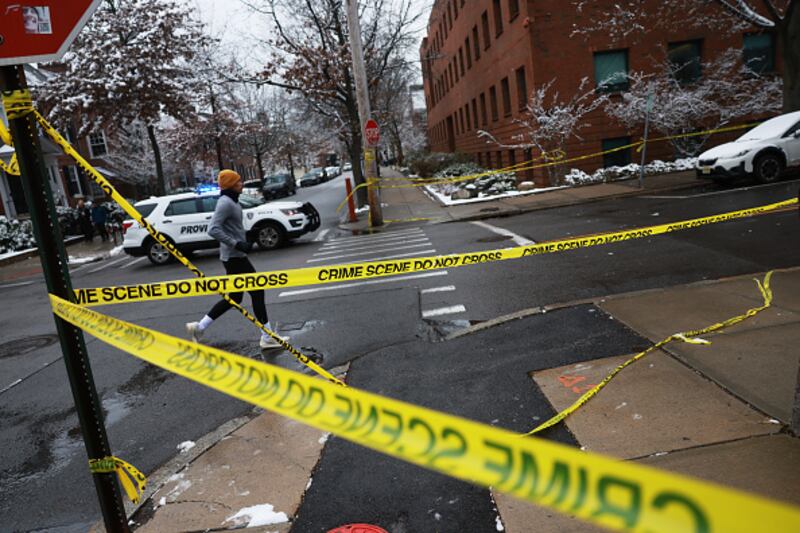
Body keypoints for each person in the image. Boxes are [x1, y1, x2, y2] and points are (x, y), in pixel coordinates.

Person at [185, 169, 287, 350]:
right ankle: (267, 337)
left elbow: (231, 228)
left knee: (235, 297)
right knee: (256, 291)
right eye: (238, 182)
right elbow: (213, 229)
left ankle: (200, 327)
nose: (241, 184)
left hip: (234, 256)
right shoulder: (225, 203)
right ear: (231, 185)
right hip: (233, 257)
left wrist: (247, 235)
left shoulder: (232, 201)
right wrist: (237, 244)